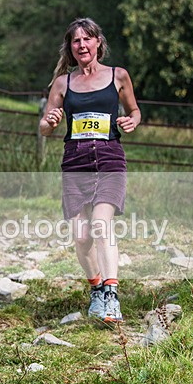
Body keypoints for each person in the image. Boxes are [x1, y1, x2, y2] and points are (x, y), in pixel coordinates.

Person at [39, 18, 140, 323]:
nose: (82, 45)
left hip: (109, 158)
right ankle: (96, 289)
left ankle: (111, 296)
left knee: (100, 224)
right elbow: (44, 127)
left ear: (98, 42)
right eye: (76, 41)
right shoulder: (63, 83)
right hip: (75, 163)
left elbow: (134, 110)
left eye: (87, 39)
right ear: (70, 47)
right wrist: (50, 122)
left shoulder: (118, 76)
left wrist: (132, 120)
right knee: (82, 237)